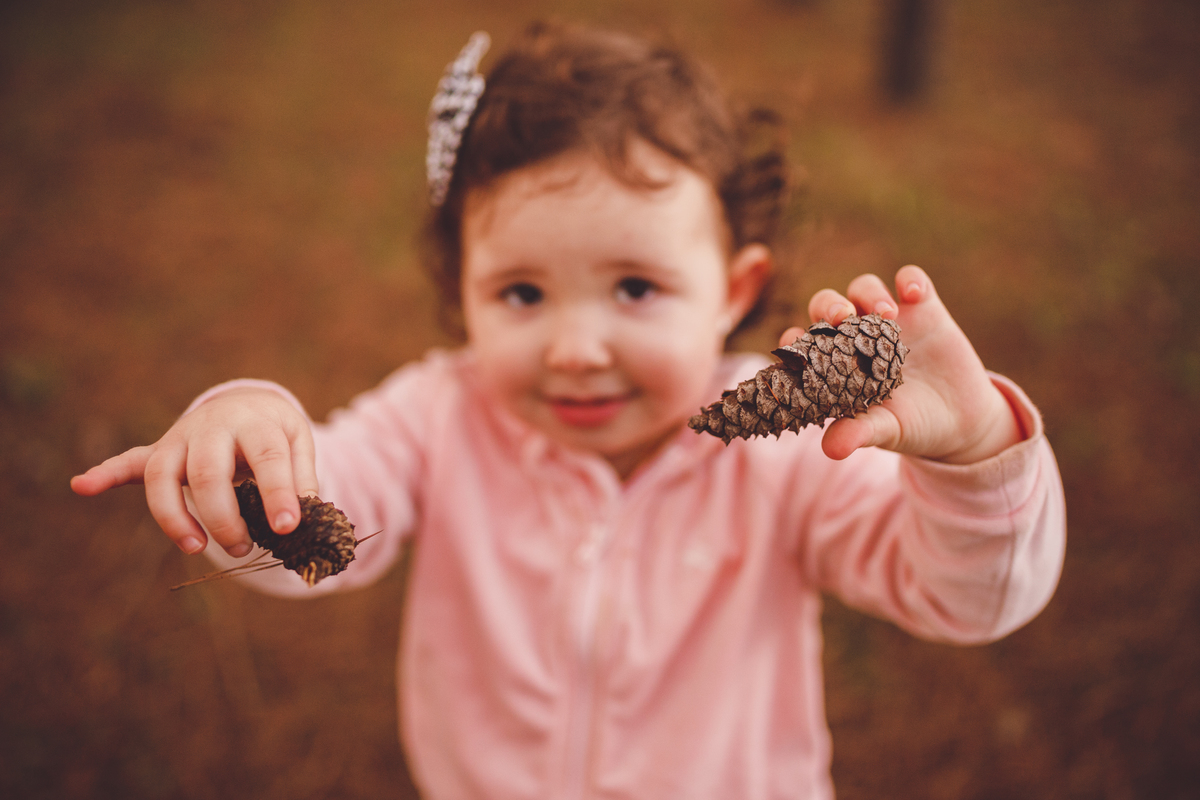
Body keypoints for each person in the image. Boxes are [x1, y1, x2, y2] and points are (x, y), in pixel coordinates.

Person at [71, 21, 1065, 800]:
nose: (575, 347)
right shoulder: (438, 415)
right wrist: (253, 454)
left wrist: (976, 454)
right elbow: (331, 527)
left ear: (733, 286)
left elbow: (969, 599)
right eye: (521, 294)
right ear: (461, 291)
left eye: (635, 286)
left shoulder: (793, 451)